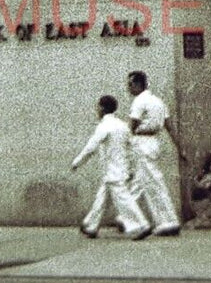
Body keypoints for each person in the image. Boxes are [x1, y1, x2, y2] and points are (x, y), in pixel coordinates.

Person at [73, 95, 151, 240]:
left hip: (112, 172)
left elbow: (91, 147)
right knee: (101, 199)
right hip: (119, 170)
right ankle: (90, 225)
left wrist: (77, 162)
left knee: (124, 200)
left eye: (97, 107)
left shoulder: (104, 126)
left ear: (102, 108)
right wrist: (131, 168)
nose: (96, 110)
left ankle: (142, 225)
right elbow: (131, 147)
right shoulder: (122, 125)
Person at [126, 71, 183, 237]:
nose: (129, 88)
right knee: (141, 181)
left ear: (138, 85)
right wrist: (179, 147)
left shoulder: (139, 101)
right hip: (154, 142)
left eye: (130, 84)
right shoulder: (158, 101)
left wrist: (126, 145)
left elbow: (133, 126)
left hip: (142, 142)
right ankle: (126, 217)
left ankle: (168, 222)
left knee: (153, 183)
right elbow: (170, 127)